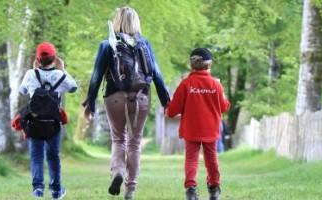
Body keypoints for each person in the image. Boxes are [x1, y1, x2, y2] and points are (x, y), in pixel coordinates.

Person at [82, 6, 171, 200]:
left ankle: (118, 172)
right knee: (134, 142)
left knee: (118, 139)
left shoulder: (107, 45)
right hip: (141, 97)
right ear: (136, 22)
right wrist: (167, 102)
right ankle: (130, 188)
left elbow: (96, 76)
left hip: (114, 97)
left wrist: (90, 103)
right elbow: (156, 74)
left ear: (117, 21)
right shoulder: (144, 44)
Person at [165, 48, 231, 200]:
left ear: (192, 65)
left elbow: (172, 110)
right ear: (209, 65)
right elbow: (225, 106)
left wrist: (168, 110)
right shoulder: (216, 85)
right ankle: (214, 188)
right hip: (211, 129)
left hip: (191, 129)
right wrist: (221, 93)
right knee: (211, 158)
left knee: (191, 158)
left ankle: (191, 189)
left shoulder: (186, 84)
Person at [18, 42, 77, 200]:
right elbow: (73, 87)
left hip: (35, 123)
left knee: (37, 157)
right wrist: (62, 69)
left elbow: (22, 91)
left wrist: (33, 70)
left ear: (37, 58)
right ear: (55, 58)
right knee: (53, 156)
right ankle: (56, 191)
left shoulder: (31, 74)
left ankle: (38, 189)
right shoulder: (60, 75)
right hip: (53, 124)